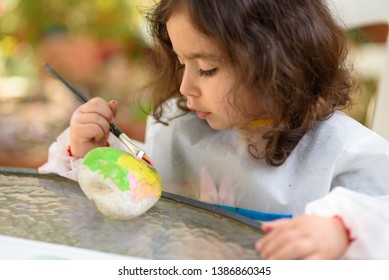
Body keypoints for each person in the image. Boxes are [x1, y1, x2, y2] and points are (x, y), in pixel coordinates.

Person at [39, 0, 389, 259]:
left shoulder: (344, 153)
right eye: (180, 63)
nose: (186, 86)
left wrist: (344, 232)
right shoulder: (181, 126)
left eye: (206, 68)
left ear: (277, 63)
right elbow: (111, 217)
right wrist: (88, 155)